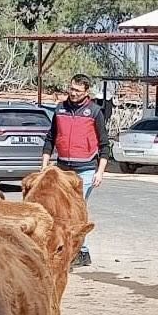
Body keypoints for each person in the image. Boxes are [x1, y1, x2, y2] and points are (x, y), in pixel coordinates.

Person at [41, 73, 109, 267]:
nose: (73, 93)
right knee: (59, 210)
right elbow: (50, 138)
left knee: (75, 211)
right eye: (71, 89)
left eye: (78, 91)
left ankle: (79, 251)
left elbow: (105, 144)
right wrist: (45, 165)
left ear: (86, 92)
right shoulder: (60, 109)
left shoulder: (95, 112)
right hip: (62, 168)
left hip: (86, 170)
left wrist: (100, 171)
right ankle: (72, 250)